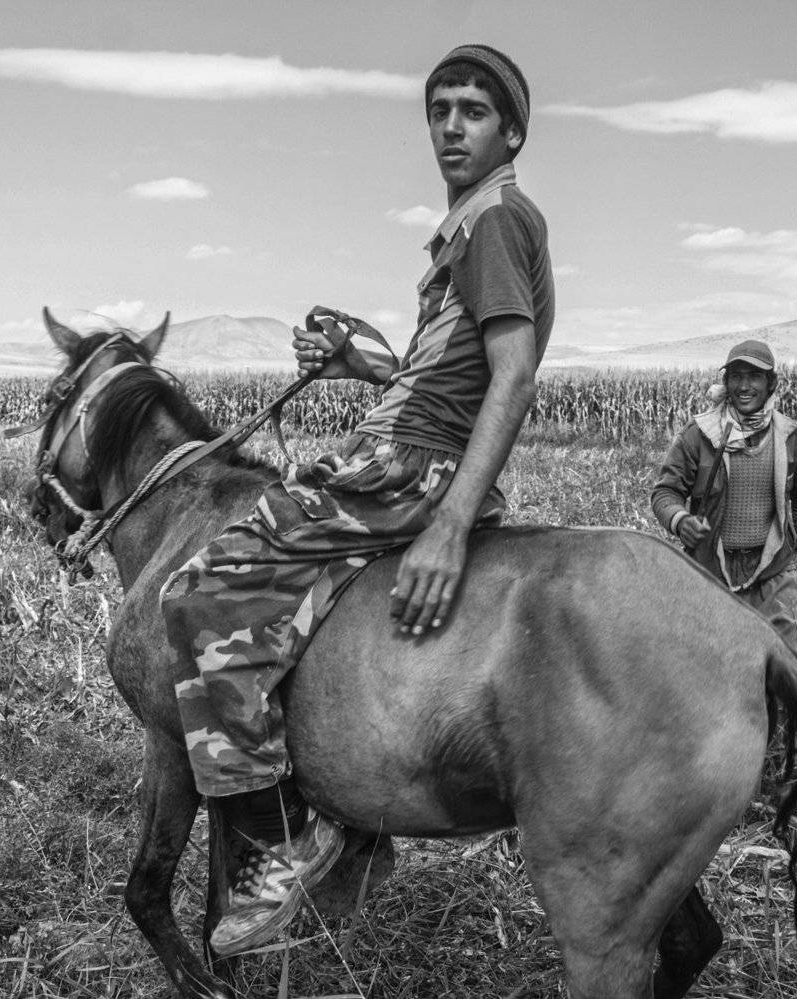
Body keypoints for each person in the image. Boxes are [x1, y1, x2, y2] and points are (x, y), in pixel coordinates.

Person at [160, 43, 553, 956]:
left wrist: (450, 523)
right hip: (407, 450)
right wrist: (359, 365)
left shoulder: (495, 219)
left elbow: (514, 372)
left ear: (512, 134)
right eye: (439, 110)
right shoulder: (468, 229)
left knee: (199, 595)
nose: (451, 126)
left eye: (474, 112)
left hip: (406, 471)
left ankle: (286, 835)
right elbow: (443, 373)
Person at [649, 340, 797, 651]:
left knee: (789, 660)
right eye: (737, 376)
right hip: (708, 571)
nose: (744, 386)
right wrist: (680, 520)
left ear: (771, 383)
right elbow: (666, 492)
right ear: (726, 382)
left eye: (754, 376)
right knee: (707, 661)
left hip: (773, 573)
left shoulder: (794, 439)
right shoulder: (699, 434)